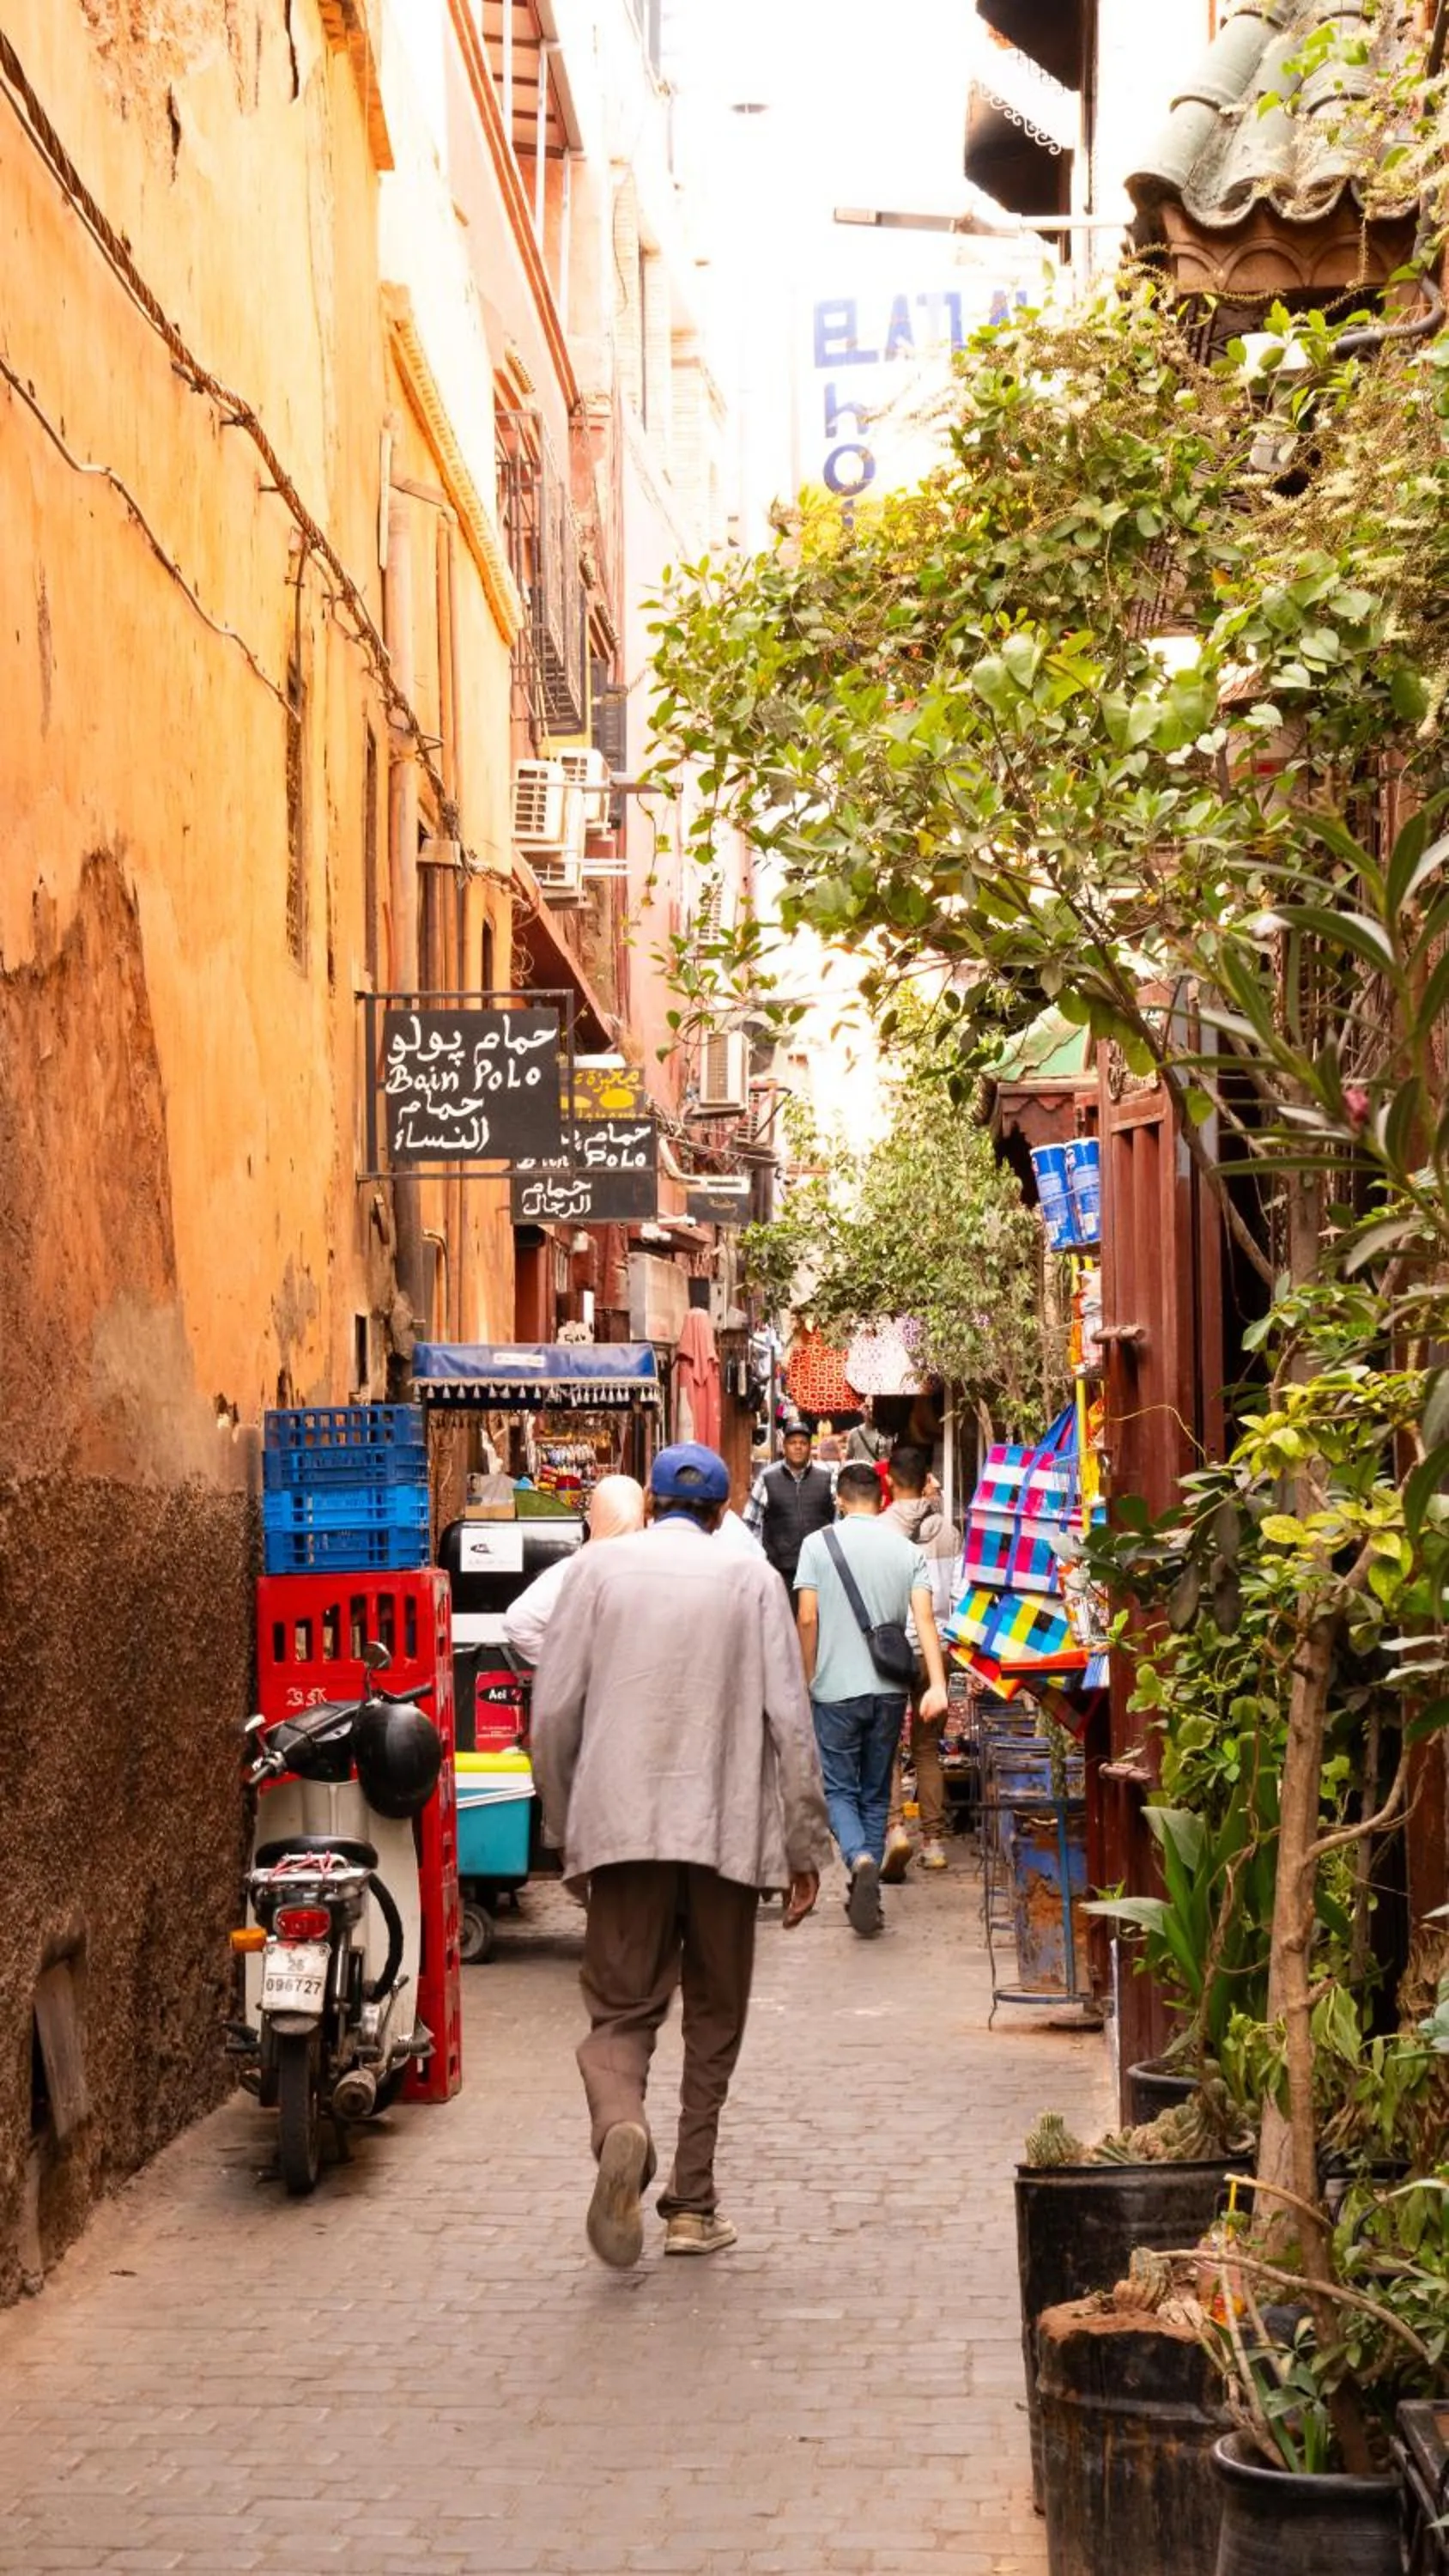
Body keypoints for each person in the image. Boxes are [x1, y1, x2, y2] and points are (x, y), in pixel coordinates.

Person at [530, 1443, 832, 2269]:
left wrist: (568, 1828)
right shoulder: (753, 1582)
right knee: (716, 2015)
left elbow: (552, 1716)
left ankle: (621, 2125)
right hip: (726, 1835)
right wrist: (805, 1847)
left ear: (654, 1502)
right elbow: (789, 1723)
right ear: (721, 1508)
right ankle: (693, 2205)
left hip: (623, 1832)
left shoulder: (594, 1573)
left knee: (621, 2013)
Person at [794, 1462, 950, 1939]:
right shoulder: (906, 1551)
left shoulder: (816, 1545)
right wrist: (939, 1685)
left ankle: (860, 1858)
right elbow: (925, 1624)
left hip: (834, 1689)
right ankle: (871, 1894)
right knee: (876, 1789)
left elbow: (806, 1619)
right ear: (880, 1498)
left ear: (839, 1499)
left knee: (838, 1790)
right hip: (888, 1691)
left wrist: (805, 1678)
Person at [880, 1448, 962, 1879]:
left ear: (890, 1481)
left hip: (892, 1651)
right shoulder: (948, 1531)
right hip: (938, 1651)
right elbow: (960, 1591)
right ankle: (933, 1842)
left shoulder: (877, 1531)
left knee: (889, 1747)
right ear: (925, 1479)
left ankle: (896, 1830)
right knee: (928, 1750)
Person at [500, 1475, 646, 1666]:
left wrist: (566, 1663)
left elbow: (518, 1623)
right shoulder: (655, 1572)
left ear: (594, 1517)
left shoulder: (573, 1570)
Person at [743, 1417, 836, 1589]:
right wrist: (761, 1562)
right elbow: (750, 1525)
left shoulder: (827, 1477)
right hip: (780, 1572)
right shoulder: (767, 1478)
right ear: (784, 1446)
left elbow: (838, 1519)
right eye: (793, 1442)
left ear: (810, 1447)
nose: (798, 1447)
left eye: (803, 1442)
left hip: (821, 1571)